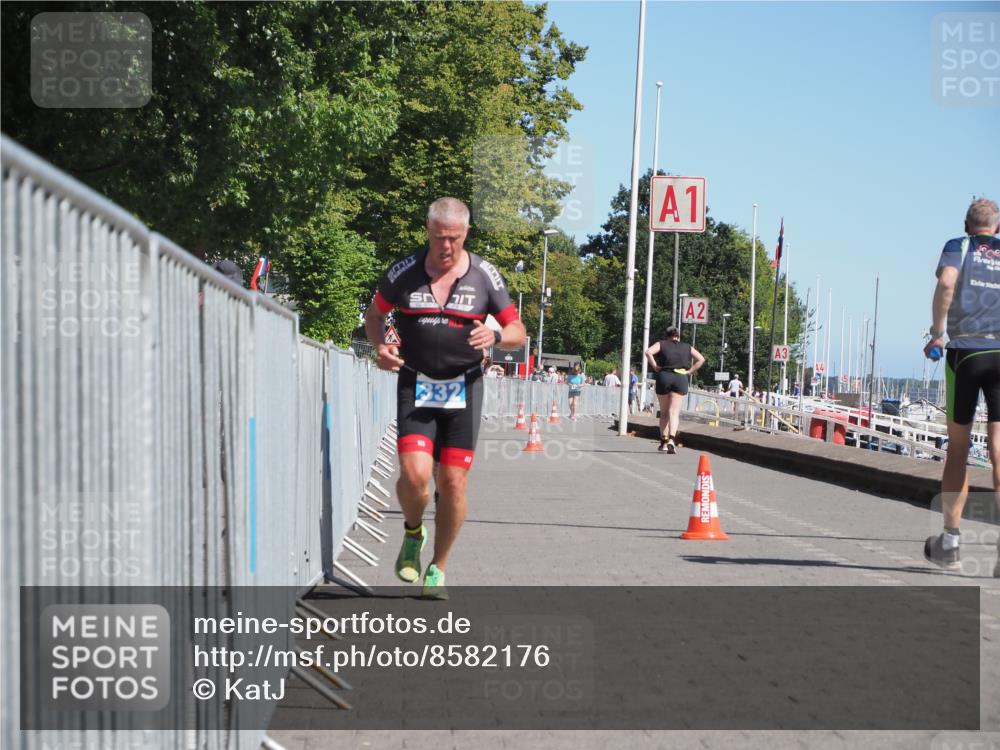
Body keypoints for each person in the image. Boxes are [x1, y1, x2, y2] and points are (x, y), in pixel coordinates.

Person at [365, 197, 526, 598]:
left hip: (464, 387)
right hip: (416, 383)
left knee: (452, 482)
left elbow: (519, 330)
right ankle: (413, 532)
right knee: (416, 476)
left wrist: (496, 335)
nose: (446, 247)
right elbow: (374, 316)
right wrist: (381, 347)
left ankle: (438, 567)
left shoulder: (486, 276)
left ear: (466, 233)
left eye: (454, 239)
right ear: (428, 231)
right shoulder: (404, 272)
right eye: (439, 238)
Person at [922, 197, 1000, 577]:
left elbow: (947, 281)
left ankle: (951, 539)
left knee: (958, 447)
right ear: (996, 228)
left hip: (966, 351)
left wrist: (938, 333)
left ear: (968, 226)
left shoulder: (959, 246)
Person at [645, 326, 706, 453]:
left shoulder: (661, 344)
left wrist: (655, 366)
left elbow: (648, 352)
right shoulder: (687, 346)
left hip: (664, 376)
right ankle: (672, 439)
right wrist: (690, 371)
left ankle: (664, 442)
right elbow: (701, 359)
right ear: (678, 336)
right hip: (680, 377)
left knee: (664, 413)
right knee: (674, 412)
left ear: (667, 336)